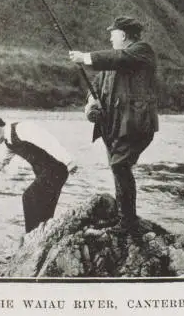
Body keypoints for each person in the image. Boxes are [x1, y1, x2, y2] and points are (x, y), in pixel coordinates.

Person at [68, 16, 159, 235]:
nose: (110, 37)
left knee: (119, 166)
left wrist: (85, 57)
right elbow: (95, 88)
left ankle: (127, 222)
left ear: (124, 35)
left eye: (113, 33)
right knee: (118, 167)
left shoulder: (141, 51)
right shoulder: (113, 63)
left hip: (136, 125)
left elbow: (118, 58)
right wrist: (90, 105)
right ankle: (124, 218)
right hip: (116, 127)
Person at [0, 115, 78, 234]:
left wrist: (69, 161)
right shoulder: (8, 144)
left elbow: (49, 141)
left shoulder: (21, 128)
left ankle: (30, 236)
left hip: (56, 169)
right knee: (45, 208)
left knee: (28, 197)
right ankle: (41, 236)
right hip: (46, 173)